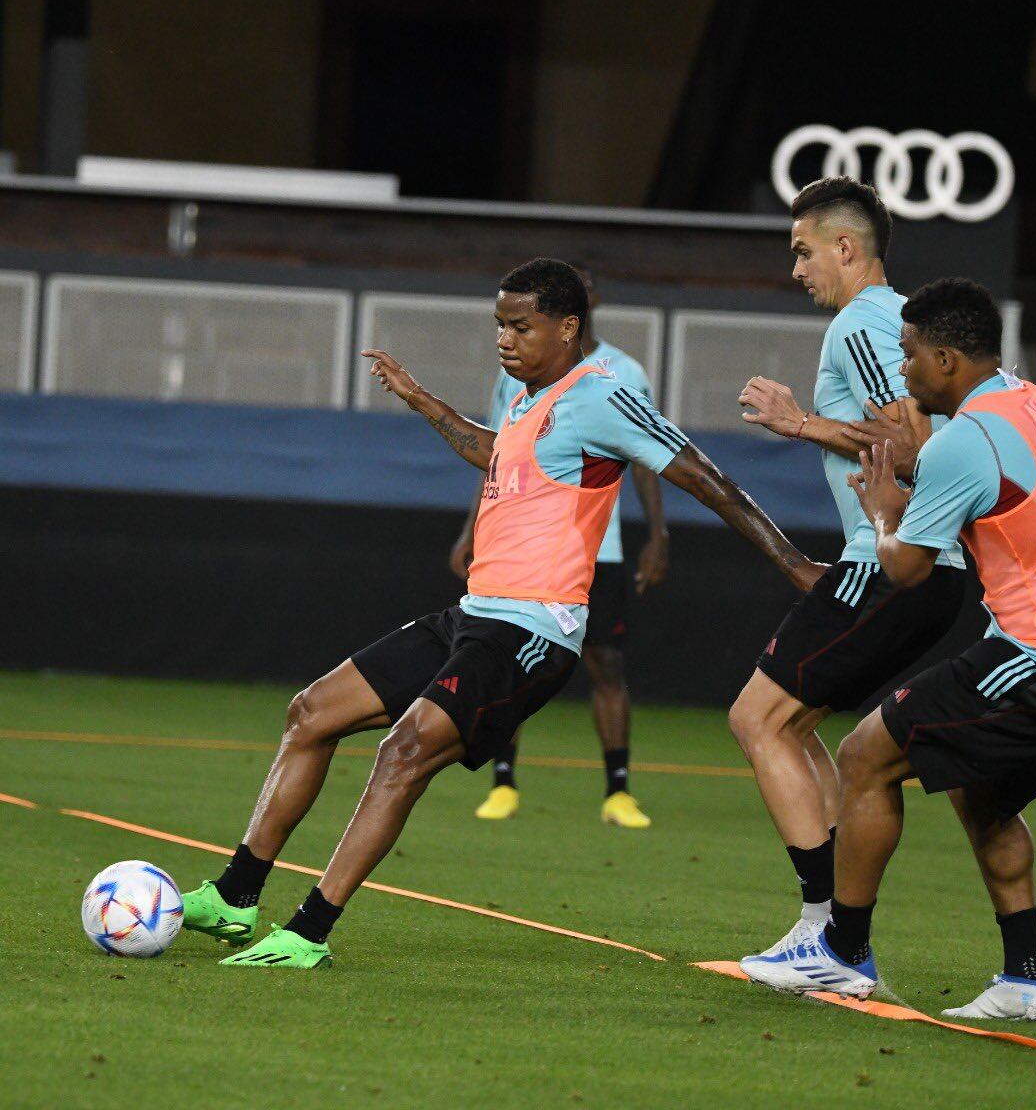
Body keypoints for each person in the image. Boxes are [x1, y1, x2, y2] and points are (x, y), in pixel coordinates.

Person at [180, 257, 825, 968]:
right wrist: (422, 399)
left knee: (403, 753)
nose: (504, 339)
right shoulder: (526, 397)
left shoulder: (603, 395)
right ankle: (238, 895)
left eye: (520, 325)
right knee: (311, 713)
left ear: (568, 326)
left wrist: (792, 563)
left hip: (532, 631)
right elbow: (495, 455)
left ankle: (308, 931)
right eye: (499, 324)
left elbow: (705, 475)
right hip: (474, 616)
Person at [749, 278, 1036, 1020]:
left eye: (910, 357)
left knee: (868, 755)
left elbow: (904, 568)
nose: (902, 373)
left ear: (949, 360)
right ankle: (1029, 975)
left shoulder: (964, 440)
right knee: (980, 792)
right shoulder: (1030, 402)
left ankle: (840, 953)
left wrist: (883, 512)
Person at [733, 177, 966, 961]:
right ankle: (837, 935)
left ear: (845, 247)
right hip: (898, 564)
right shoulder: (886, 325)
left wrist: (797, 422)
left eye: (803, 252)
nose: (796, 270)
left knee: (758, 720)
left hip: (893, 564)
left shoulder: (863, 323)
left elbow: (909, 445)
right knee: (792, 727)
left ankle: (824, 936)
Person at [453, 266, 668, 828]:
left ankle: (618, 790)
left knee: (607, 664)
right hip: (526, 546)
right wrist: (471, 531)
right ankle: (504, 781)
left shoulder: (623, 373)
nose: (509, 336)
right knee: (504, 657)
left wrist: (658, 532)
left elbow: (648, 457)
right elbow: (502, 453)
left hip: (602, 546)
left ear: (581, 309)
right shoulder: (517, 370)